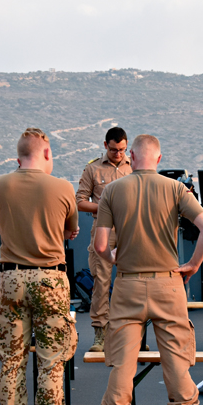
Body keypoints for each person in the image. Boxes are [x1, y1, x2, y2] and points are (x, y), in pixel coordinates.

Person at [94, 134, 203, 405]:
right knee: (176, 358)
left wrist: (114, 258)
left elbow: (100, 246)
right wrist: (191, 265)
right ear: (159, 160)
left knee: (122, 360)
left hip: (128, 285)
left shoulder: (112, 190)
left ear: (130, 158)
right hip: (168, 284)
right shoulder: (176, 189)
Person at [0, 128, 81, 405]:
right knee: (52, 357)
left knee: (11, 358)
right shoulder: (62, 187)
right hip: (50, 279)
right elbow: (71, 229)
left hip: (10, 279)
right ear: (46, 153)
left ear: (18, 157)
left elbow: (0, 221)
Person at [76, 127, 132, 352]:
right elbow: (80, 201)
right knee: (101, 282)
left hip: (130, 230)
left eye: (122, 150)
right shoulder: (93, 168)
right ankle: (100, 333)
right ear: (105, 145)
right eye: (113, 150)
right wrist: (104, 207)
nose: (118, 154)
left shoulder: (134, 167)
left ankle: (132, 332)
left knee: (133, 281)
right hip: (104, 231)